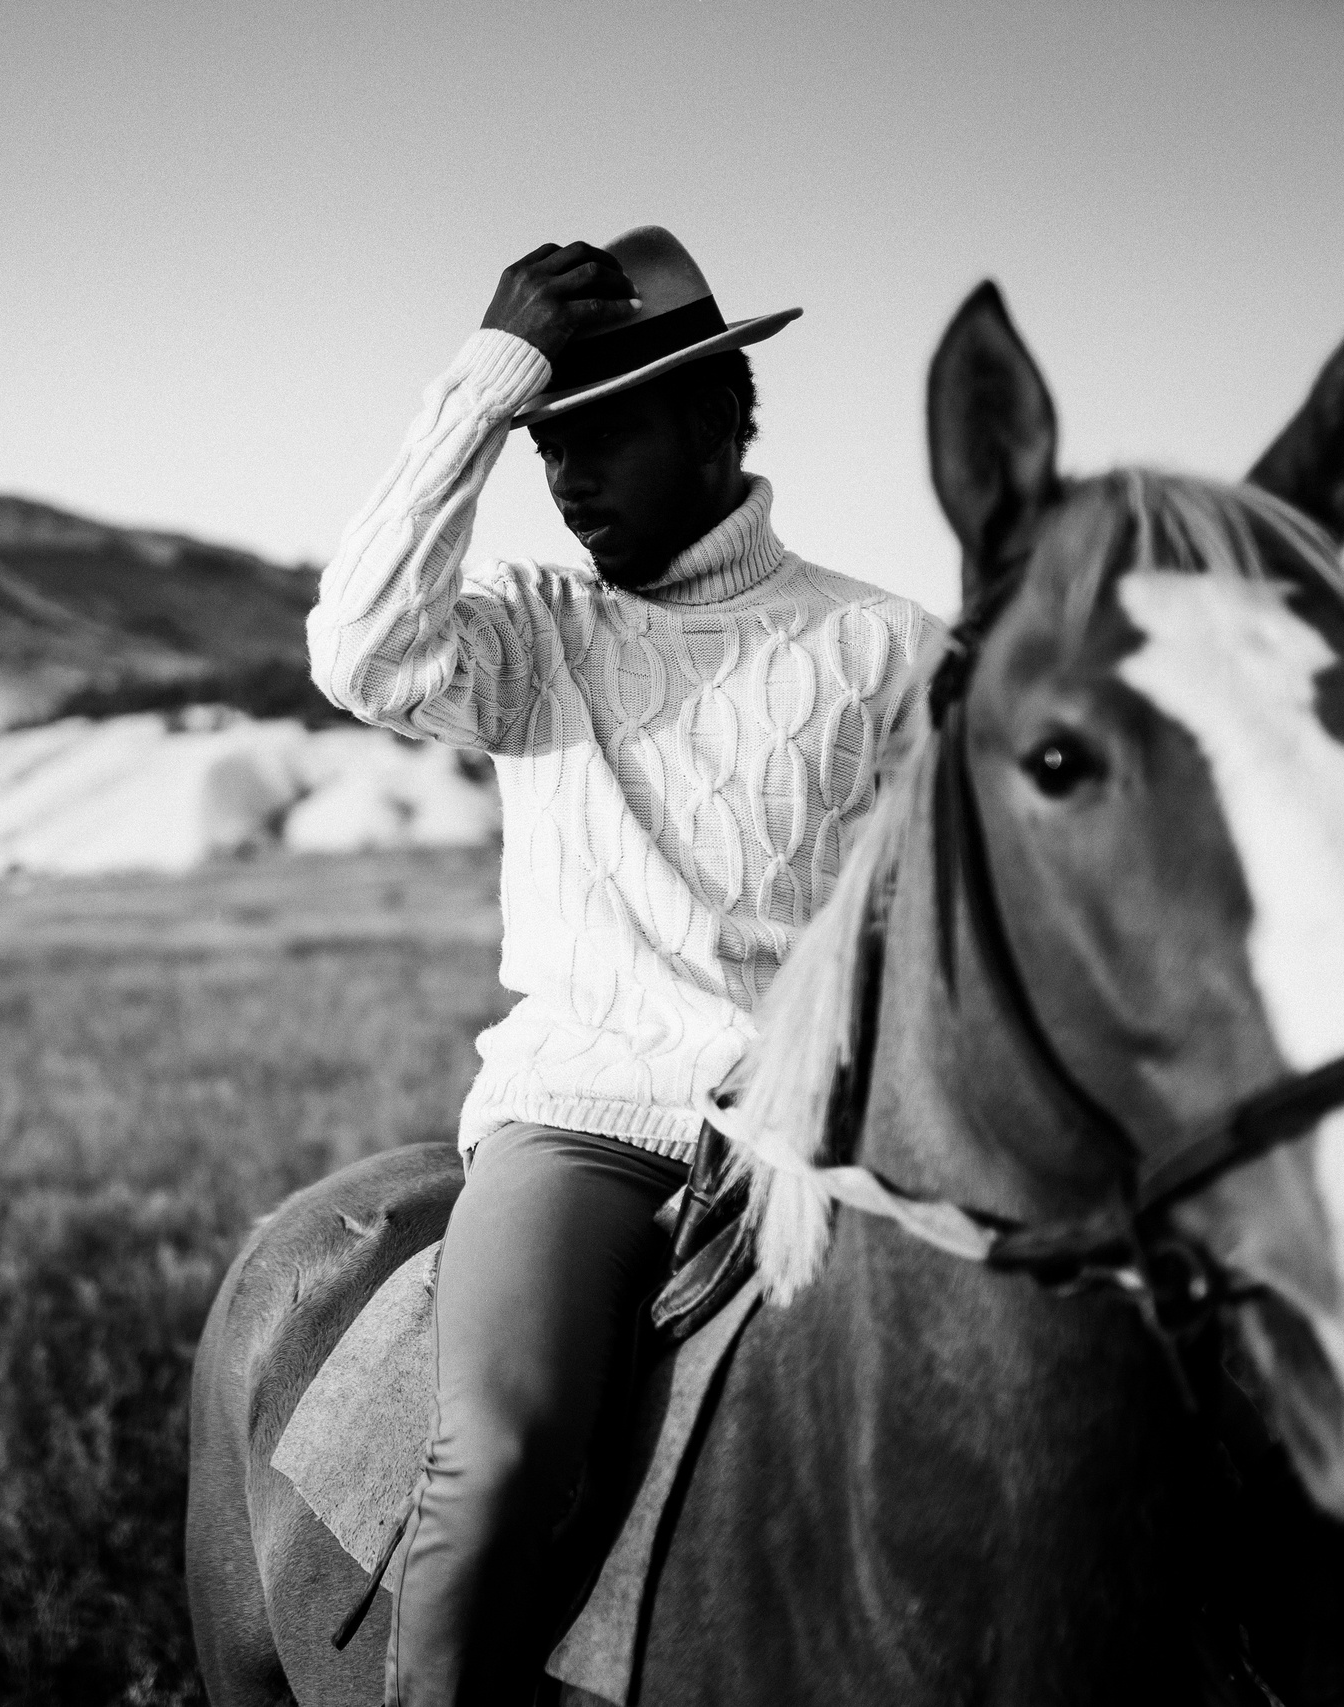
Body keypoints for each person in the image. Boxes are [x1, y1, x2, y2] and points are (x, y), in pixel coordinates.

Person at [307, 226, 939, 1705]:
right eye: (547, 448)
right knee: (506, 1443)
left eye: (603, 435)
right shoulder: (534, 631)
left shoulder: (893, 647)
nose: (570, 477)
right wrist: (488, 382)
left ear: (720, 413)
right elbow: (357, 652)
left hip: (822, 1135)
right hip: (589, 1120)